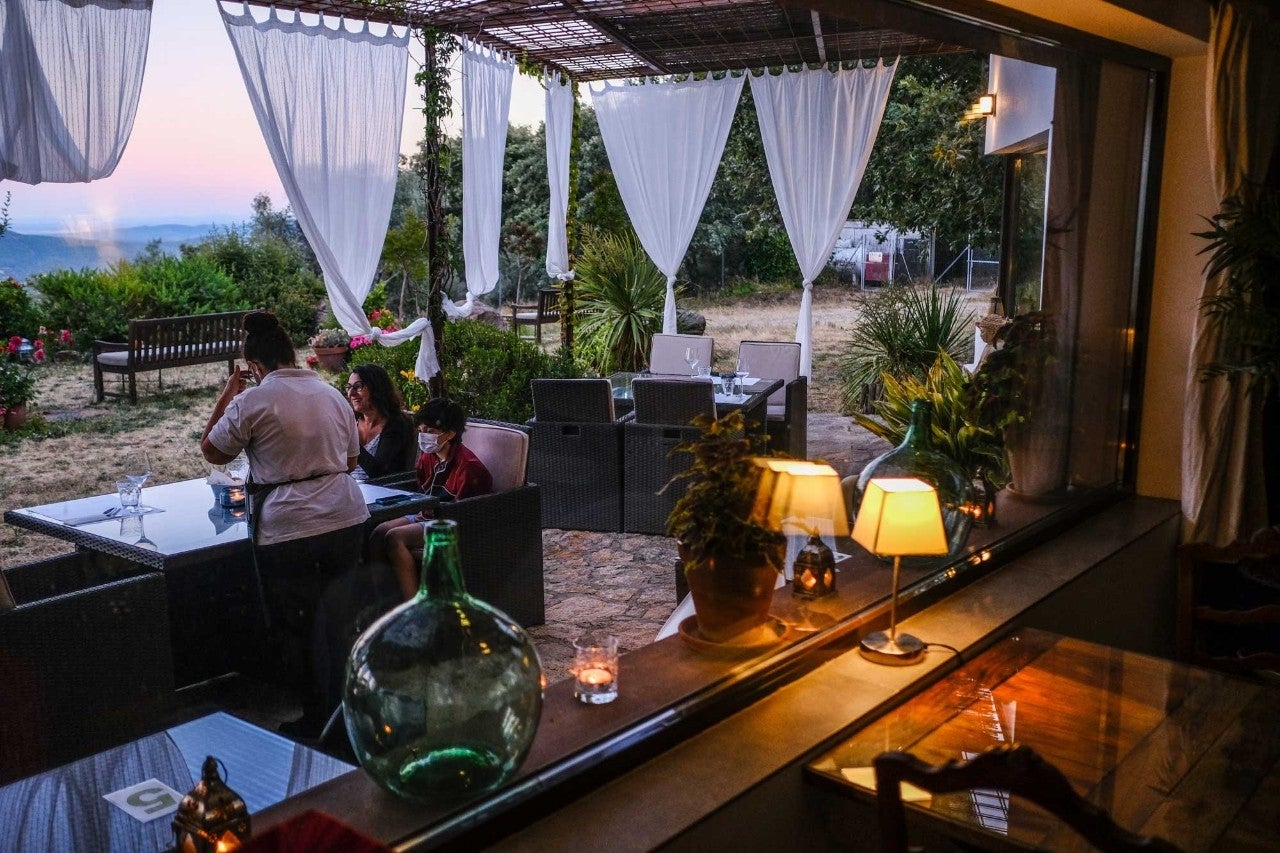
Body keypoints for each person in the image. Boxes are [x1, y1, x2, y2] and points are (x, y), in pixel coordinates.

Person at [200, 310, 369, 738]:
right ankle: (350, 710)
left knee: (299, 625)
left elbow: (213, 451)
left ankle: (316, 717)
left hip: (289, 525)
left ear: (254, 367)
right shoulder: (332, 395)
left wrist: (228, 392)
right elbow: (351, 461)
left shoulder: (253, 400)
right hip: (345, 514)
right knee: (341, 618)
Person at [368, 398, 492, 599]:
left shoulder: (468, 467)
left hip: (449, 522)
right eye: (422, 430)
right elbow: (421, 490)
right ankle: (382, 599)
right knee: (377, 533)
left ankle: (414, 604)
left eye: (431, 432)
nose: (424, 436)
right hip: (425, 514)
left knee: (394, 537)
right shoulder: (428, 457)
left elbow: (467, 512)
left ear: (451, 433)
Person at [345, 363, 414, 482]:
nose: (351, 393)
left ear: (376, 388)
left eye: (358, 386)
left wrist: (351, 442)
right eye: (349, 387)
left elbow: (379, 472)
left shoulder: (396, 423)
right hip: (347, 487)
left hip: (381, 492)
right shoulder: (351, 420)